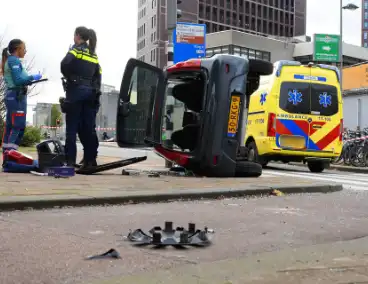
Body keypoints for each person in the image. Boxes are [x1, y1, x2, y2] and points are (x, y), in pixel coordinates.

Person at [60, 26, 101, 174]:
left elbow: (64, 64)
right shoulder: (93, 54)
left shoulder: (76, 50)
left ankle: (69, 161)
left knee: (71, 129)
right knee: (88, 129)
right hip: (90, 93)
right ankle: (90, 160)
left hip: (76, 92)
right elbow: (98, 73)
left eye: (74, 35)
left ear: (77, 36)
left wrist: (71, 77)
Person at [1, 39, 42, 166]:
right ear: (18, 49)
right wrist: (32, 78)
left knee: (11, 126)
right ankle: (11, 157)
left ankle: (8, 157)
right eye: (24, 48)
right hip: (16, 96)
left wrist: (28, 80)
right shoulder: (13, 60)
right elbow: (18, 80)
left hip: (15, 96)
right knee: (18, 126)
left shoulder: (13, 61)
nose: (25, 51)